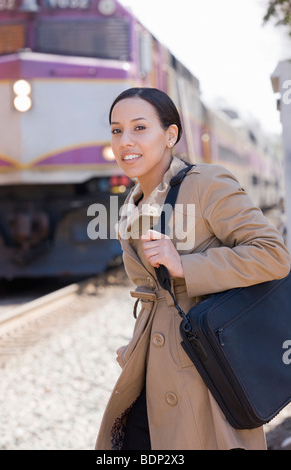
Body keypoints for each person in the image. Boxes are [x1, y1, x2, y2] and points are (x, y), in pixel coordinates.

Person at [95, 87, 291, 451]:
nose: (126, 140)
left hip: (205, 371)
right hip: (153, 367)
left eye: (139, 128)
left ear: (171, 135)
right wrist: (139, 345)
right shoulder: (132, 201)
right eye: (116, 130)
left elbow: (272, 254)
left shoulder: (206, 183)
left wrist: (185, 264)